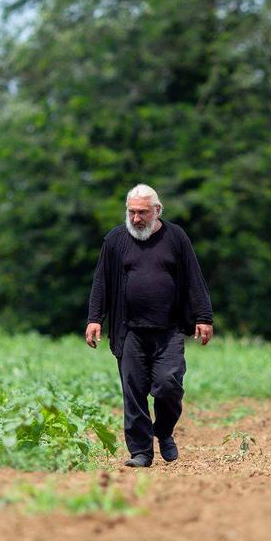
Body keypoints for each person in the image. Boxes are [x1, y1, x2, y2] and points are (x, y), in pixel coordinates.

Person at [85, 184, 214, 467]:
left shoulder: (176, 237)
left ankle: (164, 431)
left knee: (169, 385)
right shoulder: (115, 240)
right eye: (131, 212)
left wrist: (203, 317)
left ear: (157, 211)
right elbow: (101, 282)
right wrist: (95, 318)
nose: (135, 218)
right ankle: (141, 452)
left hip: (168, 330)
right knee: (133, 393)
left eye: (142, 212)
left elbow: (194, 277)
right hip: (128, 330)